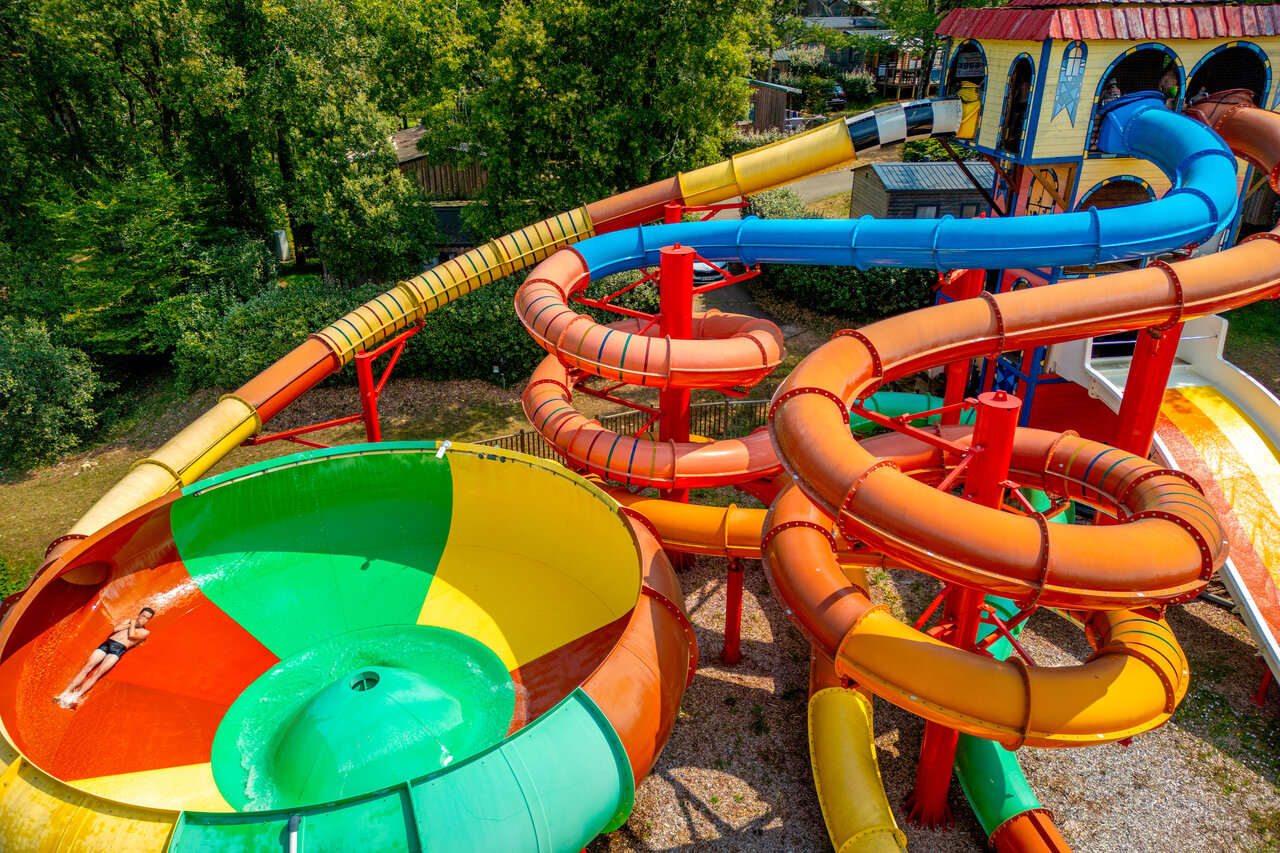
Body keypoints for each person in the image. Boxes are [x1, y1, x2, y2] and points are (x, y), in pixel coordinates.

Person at [55, 607, 154, 708]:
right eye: (143, 616)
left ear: (149, 620)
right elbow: (116, 629)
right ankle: (65, 692)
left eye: (147, 618)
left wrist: (133, 624)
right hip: (107, 644)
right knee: (86, 668)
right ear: (139, 615)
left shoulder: (145, 632)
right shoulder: (128, 621)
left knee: (97, 674)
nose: (144, 619)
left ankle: (76, 696)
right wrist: (131, 623)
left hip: (118, 650)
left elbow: (132, 635)